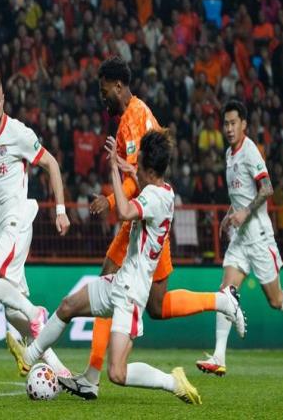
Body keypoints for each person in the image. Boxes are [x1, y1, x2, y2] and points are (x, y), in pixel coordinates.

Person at [76, 56, 245, 399]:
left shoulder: (133, 118)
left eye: (104, 90)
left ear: (118, 86)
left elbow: (137, 180)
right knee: (156, 306)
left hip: (145, 218)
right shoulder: (133, 115)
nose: (102, 97)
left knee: (109, 274)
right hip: (150, 218)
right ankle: (221, 301)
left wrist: (110, 202)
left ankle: (91, 377)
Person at [6, 131, 202, 405]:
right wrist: (129, 169)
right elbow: (145, 186)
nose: (135, 168)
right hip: (120, 282)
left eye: (139, 164)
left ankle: (173, 381)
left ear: (149, 171)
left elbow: (124, 211)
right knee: (68, 306)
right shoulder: (165, 190)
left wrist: (113, 170)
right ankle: (28, 357)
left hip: (131, 296)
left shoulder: (155, 198)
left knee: (117, 373)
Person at [0, 75, 71, 376]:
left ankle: (35, 312)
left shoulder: (19, 132)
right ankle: (61, 372)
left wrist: (61, 210)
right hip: (1, 228)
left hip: (17, 221)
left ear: (3, 100)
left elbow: (52, 164)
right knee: (12, 312)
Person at [196, 100, 283, 376]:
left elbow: (267, 188)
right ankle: (218, 356)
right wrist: (230, 214)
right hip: (240, 238)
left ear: (244, 125)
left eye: (233, 123)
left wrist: (245, 212)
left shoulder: (250, 151)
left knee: (276, 300)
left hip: (259, 236)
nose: (229, 128)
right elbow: (241, 195)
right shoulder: (229, 154)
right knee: (225, 292)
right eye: (226, 124)